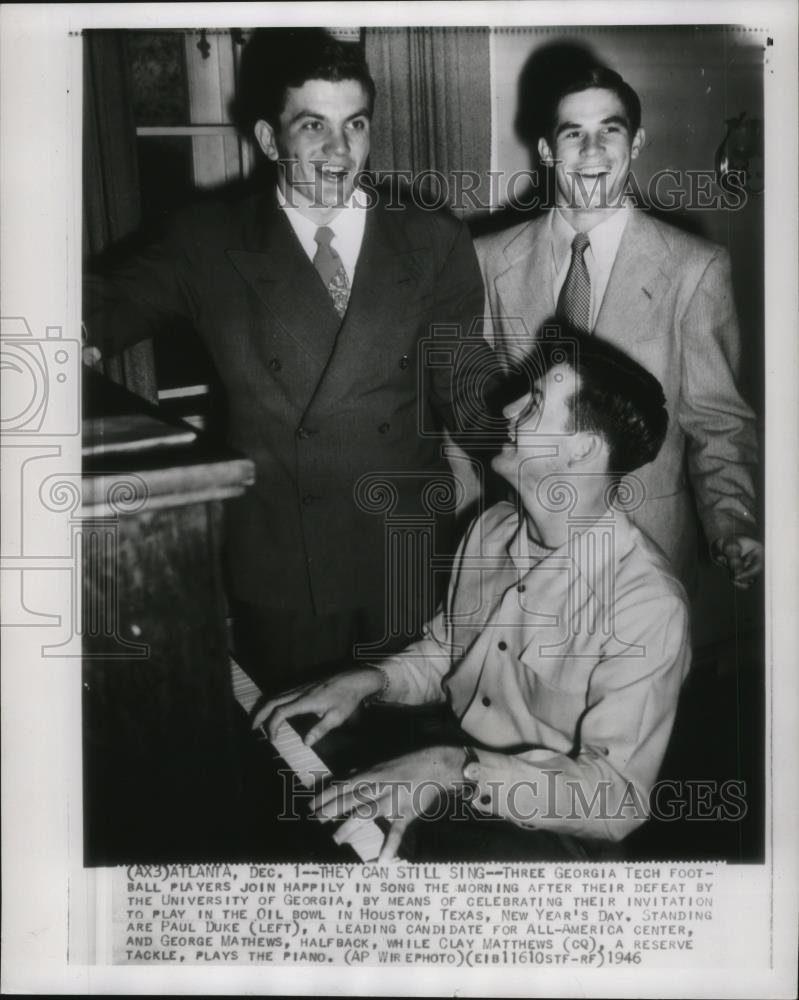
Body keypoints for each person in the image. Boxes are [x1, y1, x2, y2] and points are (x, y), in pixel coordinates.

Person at [83, 29, 485, 693]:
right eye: (312, 126)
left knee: (406, 754)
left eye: (355, 123)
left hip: (406, 552)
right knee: (297, 760)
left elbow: (465, 377)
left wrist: (535, 429)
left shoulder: (430, 236)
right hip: (282, 563)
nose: (338, 150)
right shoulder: (207, 240)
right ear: (271, 140)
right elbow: (104, 304)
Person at [255, 330, 691, 862]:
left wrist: (456, 770)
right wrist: (372, 679)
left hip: (550, 825)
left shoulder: (647, 604)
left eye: (533, 403)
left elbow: (615, 798)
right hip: (450, 758)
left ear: (582, 449)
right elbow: (447, 651)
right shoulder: (491, 528)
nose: (507, 410)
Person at [474, 65, 762, 591]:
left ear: (637, 142)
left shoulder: (694, 268)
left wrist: (731, 522)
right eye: (572, 133)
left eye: (610, 129)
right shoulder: (488, 259)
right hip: (521, 549)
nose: (592, 150)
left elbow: (717, 421)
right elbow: (469, 410)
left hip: (643, 552)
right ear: (545, 151)